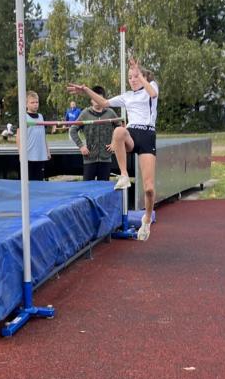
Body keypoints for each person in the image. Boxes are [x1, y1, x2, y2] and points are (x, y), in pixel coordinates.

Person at [68, 57, 159, 241]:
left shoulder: (151, 87)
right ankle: (124, 175)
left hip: (147, 135)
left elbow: (152, 93)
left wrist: (140, 74)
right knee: (118, 130)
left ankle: (147, 219)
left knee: (149, 189)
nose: (132, 80)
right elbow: (104, 103)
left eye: (135, 76)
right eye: (130, 77)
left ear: (142, 76)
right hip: (131, 134)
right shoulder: (127, 96)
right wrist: (86, 90)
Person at [68, 86, 118, 181]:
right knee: (87, 187)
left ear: (103, 99)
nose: (97, 101)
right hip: (89, 158)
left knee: (103, 187)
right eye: (94, 98)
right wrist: (81, 146)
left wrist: (114, 143)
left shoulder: (110, 113)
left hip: (106, 158)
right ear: (91, 99)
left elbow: (120, 128)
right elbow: (73, 130)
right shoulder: (85, 113)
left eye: (99, 98)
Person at [16, 91, 49, 180]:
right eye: (32, 102)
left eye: (37, 102)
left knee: (39, 180)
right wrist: (20, 153)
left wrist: (47, 150)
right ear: (26, 104)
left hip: (40, 155)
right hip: (29, 155)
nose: (35, 104)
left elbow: (43, 135)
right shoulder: (24, 117)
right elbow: (18, 136)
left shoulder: (41, 117)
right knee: (29, 180)